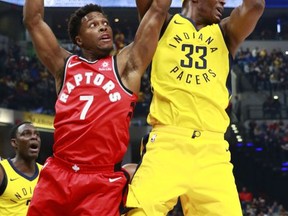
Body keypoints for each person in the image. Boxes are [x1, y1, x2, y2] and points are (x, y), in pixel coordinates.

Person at [23, 0, 171, 215]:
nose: (103, 26)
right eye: (93, 24)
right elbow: (33, 20)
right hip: (58, 174)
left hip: (101, 182)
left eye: (105, 23)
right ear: (78, 40)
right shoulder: (64, 66)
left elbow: (158, 9)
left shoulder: (126, 66)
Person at [125, 0, 265, 215]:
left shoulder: (226, 32)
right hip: (167, 143)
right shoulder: (162, 21)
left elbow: (255, 5)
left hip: (213, 150)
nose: (224, 1)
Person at [0, 121, 42, 216]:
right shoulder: (2, 170)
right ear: (15, 143)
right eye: (26, 134)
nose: (34, 137)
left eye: (37, 135)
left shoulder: (46, 172)